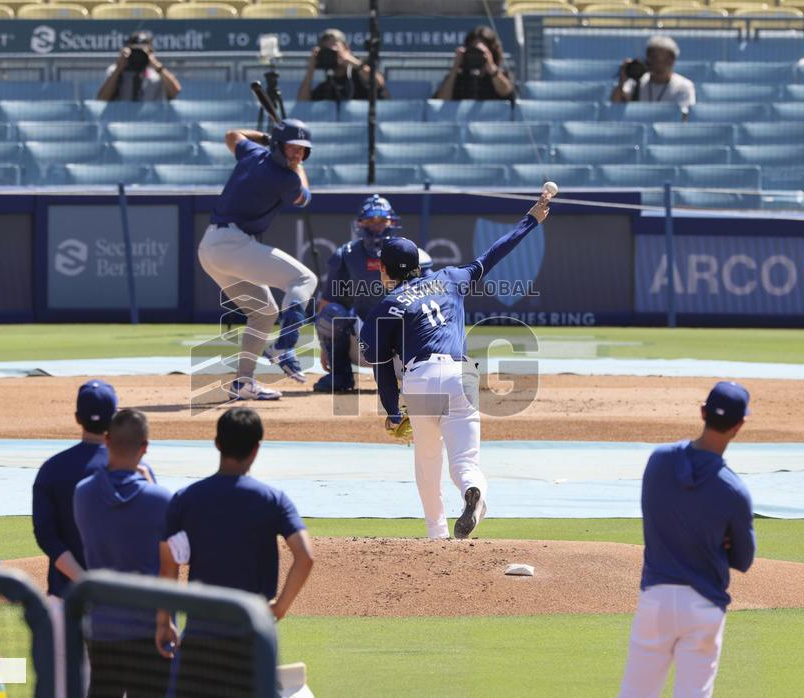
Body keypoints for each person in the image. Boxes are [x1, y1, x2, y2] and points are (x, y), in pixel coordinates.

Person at [359, 192, 552, 539]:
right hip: (461, 375)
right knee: (465, 462)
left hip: (421, 378)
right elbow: (493, 254)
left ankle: (437, 533)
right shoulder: (450, 278)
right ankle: (471, 493)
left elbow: (382, 367)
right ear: (418, 264)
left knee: (428, 460)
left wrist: (391, 411)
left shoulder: (386, 306)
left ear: (383, 269)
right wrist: (531, 220)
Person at [155, 407, 314, 695]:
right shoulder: (273, 500)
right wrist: (279, 607)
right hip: (252, 631)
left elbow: (169, 565)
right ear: (257, 448)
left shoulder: (185, 499)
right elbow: (305, 557)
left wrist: (165, 621)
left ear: (217, 443)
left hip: (202, 632)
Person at [617, 381, 756, 698]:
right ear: (739, 426)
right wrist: (717, 542)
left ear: (703, 412)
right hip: (704, 605)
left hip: (657, 599)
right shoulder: (734, 491)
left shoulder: (658, 462)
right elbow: (744, 560)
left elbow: (657, 512)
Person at [33, 380, 141, 698]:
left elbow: (47, 537)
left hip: (65, 597)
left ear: (77, 417)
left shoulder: (51, 470)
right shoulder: (135, 469)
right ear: (115, 419)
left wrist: (83, 580)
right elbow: (147, 534)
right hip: (119, 603)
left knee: (64, 687)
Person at [198, 120, 317, 400]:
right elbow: (304, 198)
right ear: (279, 145)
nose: (298, 155)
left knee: (263, 312)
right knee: (304, 279)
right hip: (232, 244)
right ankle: (284, 345)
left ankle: (243, 383)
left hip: (211, 247)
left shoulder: (253, 152)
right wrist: (296, 165)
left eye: (302, 151)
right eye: (293, 148)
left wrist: (266, 138)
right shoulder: (285, 177)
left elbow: (231, 135)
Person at [73, 409, 173, 698]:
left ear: (106, 440)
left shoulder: (82, 494)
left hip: (102, 628)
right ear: (145, 447)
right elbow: (171, 566)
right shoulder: (161, 498)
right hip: (150, 627)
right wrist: (165, 623)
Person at [314, 195, 433, 393]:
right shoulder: (347, 254)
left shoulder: (412, 253)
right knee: (332, 312)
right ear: (360, 223)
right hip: (363, 341)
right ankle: (340, 375)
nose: (376, 227)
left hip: (403, 344)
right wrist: (325, 348)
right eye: (370, 221)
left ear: (392, 222)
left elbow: (434, 299)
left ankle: (420, 374)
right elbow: (327, 301)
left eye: (381, 221)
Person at [297, 28, 388, 102]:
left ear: (346, 48)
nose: (331, 54)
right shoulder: (328, 85)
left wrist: (353, 62)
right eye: (326, 50)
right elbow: (302, 103)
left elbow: (379, 83)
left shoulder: (361, 70)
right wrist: (311, 69)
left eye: (334, 48)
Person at [611, 35, 696, 114]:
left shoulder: (684, 86)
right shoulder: (637, 81)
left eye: (661, 58)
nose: (655, 63)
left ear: (672, 61)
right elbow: (615, 106)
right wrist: (622, 81)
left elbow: (684, 117)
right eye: (652, 57)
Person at [434, 25, 515, 101]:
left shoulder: (501, 76)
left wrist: (492, 70)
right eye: (473, 51)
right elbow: (440, 102)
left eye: (480, 53)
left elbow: (507, 93)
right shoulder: (458, 79)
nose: (476, 56)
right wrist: (455, 69)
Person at [96, 30, 182, 102]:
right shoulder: (115, 70)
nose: (138, 56)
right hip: (121, 119)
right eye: (135, 51)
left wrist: (156, 65)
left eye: (141, 52)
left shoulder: (157, 73)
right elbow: (102, 99)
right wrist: (119, 68)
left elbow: (175, 91)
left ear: (151, 52)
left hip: (150, 120)